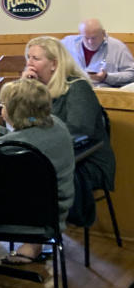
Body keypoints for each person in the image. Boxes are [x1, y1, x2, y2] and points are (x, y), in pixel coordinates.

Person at [0, 79, 74, 264]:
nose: (2, 109)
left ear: (13, 111)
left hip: (14, 219)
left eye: (3, 105)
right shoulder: (58, 126)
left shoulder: (4, 149)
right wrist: (0, 131)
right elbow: (29, 136)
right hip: (53, 215)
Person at [19, 36, 115, 227]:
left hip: (87, 159)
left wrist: (41, 138)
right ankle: (23, 228)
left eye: (36, 58)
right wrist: (24, 90)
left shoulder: (77, 87)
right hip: (49, 154)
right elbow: (24, 122)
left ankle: (36, 239)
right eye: (28, 57)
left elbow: (79, 130)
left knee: (36, 175)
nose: (29, 63)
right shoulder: (37, 89)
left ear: (54, 63)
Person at [61, 19, 134, 88]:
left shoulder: (118, 47)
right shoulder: (68, 43)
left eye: (94, 38)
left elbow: (131, 75)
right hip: (74, 90)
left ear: (103, 33)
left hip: (106, 94)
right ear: (80, 34)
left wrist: (106, 77)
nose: (90, 42)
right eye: (86, 38)